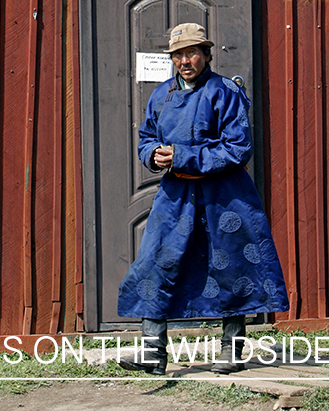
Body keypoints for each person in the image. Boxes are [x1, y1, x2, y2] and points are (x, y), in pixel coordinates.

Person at [117, 22, 288, 375]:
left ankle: (232, 351)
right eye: (178, 54)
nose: (185, 60)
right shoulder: (161, 95)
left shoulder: (225, 92)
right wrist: (152, 155)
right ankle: (153, 352)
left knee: (230, 266)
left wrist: (181, 155)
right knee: (156, 262)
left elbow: (238, 148)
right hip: (176, 195)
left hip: (225, 196)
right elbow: (146, 137)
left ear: (207, 55)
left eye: (192, 52)